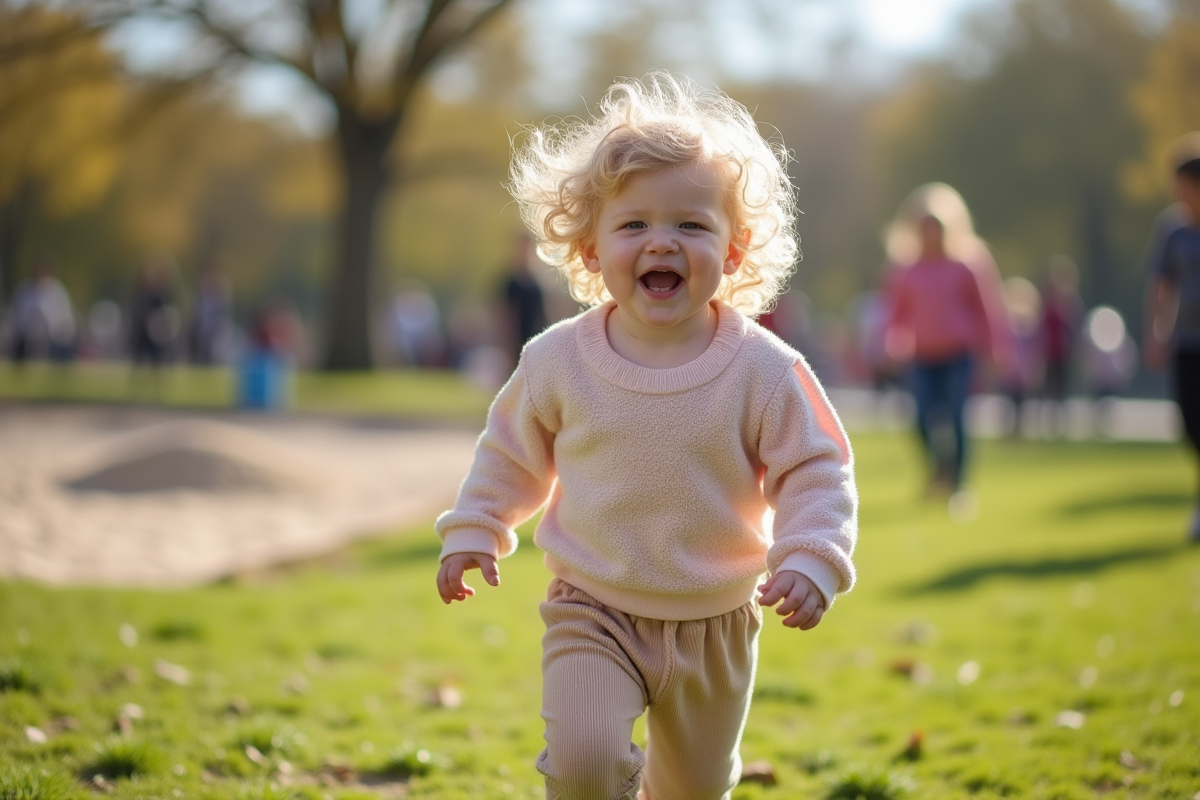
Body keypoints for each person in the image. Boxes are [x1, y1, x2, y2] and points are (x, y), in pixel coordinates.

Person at [435, 74, 858, 800]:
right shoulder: (556, 361)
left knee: (695, 789)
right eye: (634, 225)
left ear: (733, 249)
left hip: (716, 621)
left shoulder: (764, 368)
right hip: (592, 606)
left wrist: (813, 555)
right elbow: (510, 452)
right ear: (591, 248)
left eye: (691, 225)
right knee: (584, 763)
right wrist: (476, 525)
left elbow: (816, 469)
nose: (662, 241)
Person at [881, 183, 1012, 498]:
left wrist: (996, 349)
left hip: (958, 353)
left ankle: (958, 484)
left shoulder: (967, 264)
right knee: (921, 416)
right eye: (924, 227)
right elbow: (896, 315)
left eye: (936, 227)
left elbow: (986, 310)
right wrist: (890, 345)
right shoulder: (906, 270)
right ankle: (938, 469)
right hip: (923, 356)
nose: (930, 234)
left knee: (956, 415)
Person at [1142, 132, 1200, 542]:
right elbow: (1160, 285)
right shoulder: (1172, 229)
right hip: (1186, 340)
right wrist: (1155, 333)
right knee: (1191, 423)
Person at [7, 256, 76, 364]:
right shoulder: (23, 291)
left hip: (53, 337)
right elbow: (17, 315)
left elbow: (65, 315)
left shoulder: (57, 290)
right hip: (25, 337)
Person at [500, 234, 549, 366]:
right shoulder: (511, 283)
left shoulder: (536, 284)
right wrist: (507, 340)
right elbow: (506, 313)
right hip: (515, 339)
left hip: (534, 337)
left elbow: (542, 313)